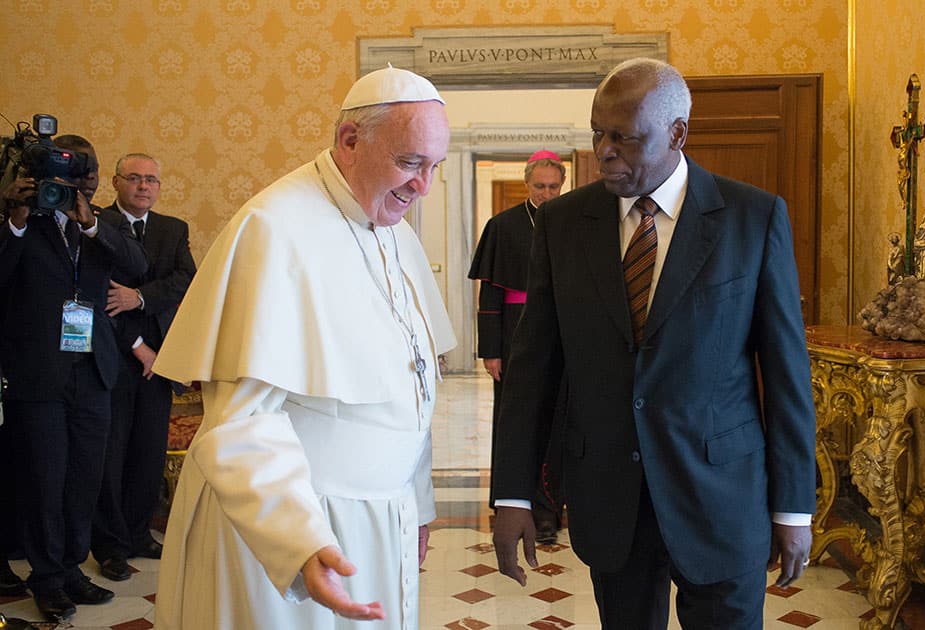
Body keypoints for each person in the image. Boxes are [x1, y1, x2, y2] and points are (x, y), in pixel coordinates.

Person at [491, 58, 816, 629]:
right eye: (598, 133)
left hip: (721, 496)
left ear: (677, 133)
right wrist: (514, 494)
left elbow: (786, 373)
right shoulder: (564, 225)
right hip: (612, 498)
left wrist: (794, 506)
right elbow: (533, 370)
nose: (605, 150)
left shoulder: (752, 218)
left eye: (624, 137)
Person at [150, 66, 455, 630]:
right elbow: (238, 425)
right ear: (350, 140)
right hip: (290, 530)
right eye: (410, 163)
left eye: (436, 167)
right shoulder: (274, 228)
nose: (424, 188)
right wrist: (301, 545)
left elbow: (413, 386)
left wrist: (417, 506)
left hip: (379, 518)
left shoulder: (395, 232)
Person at [0, 135, 146, 622]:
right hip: (38, 373)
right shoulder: (24, 218)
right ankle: (45, 578)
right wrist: (16, 221)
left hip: (94, 370)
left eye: (91, 170)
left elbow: (137, 266)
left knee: (85, 478)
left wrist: (90, 227)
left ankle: (71, 569)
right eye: (70, 171)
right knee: (46, 478)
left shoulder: (99, 222)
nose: (83, 179)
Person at [90, 153, 196, 582]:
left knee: (147, 456)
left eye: (151, 179)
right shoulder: (97, 226)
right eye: (134, 178)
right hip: (113, 359)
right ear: (115, 182)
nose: (143, 186)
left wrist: (141, 297)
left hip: (160, 362)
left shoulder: (173, 230)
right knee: (110, 459)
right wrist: (137, 345)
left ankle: (137, 534)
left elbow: (186, 281)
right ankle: (110, 546)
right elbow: (99, 296)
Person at [467, 149, 566, 543]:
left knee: (556, 423)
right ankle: (512, 499)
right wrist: (491, 350)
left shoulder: (573, 223)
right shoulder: (503, 225)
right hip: (513, 335)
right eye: (539, 186)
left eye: (553, 186)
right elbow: (489, 294)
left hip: (560, 335)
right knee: (514, 422)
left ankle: (548, 508)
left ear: (563, 185)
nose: (546, 193)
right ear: (527, 184)